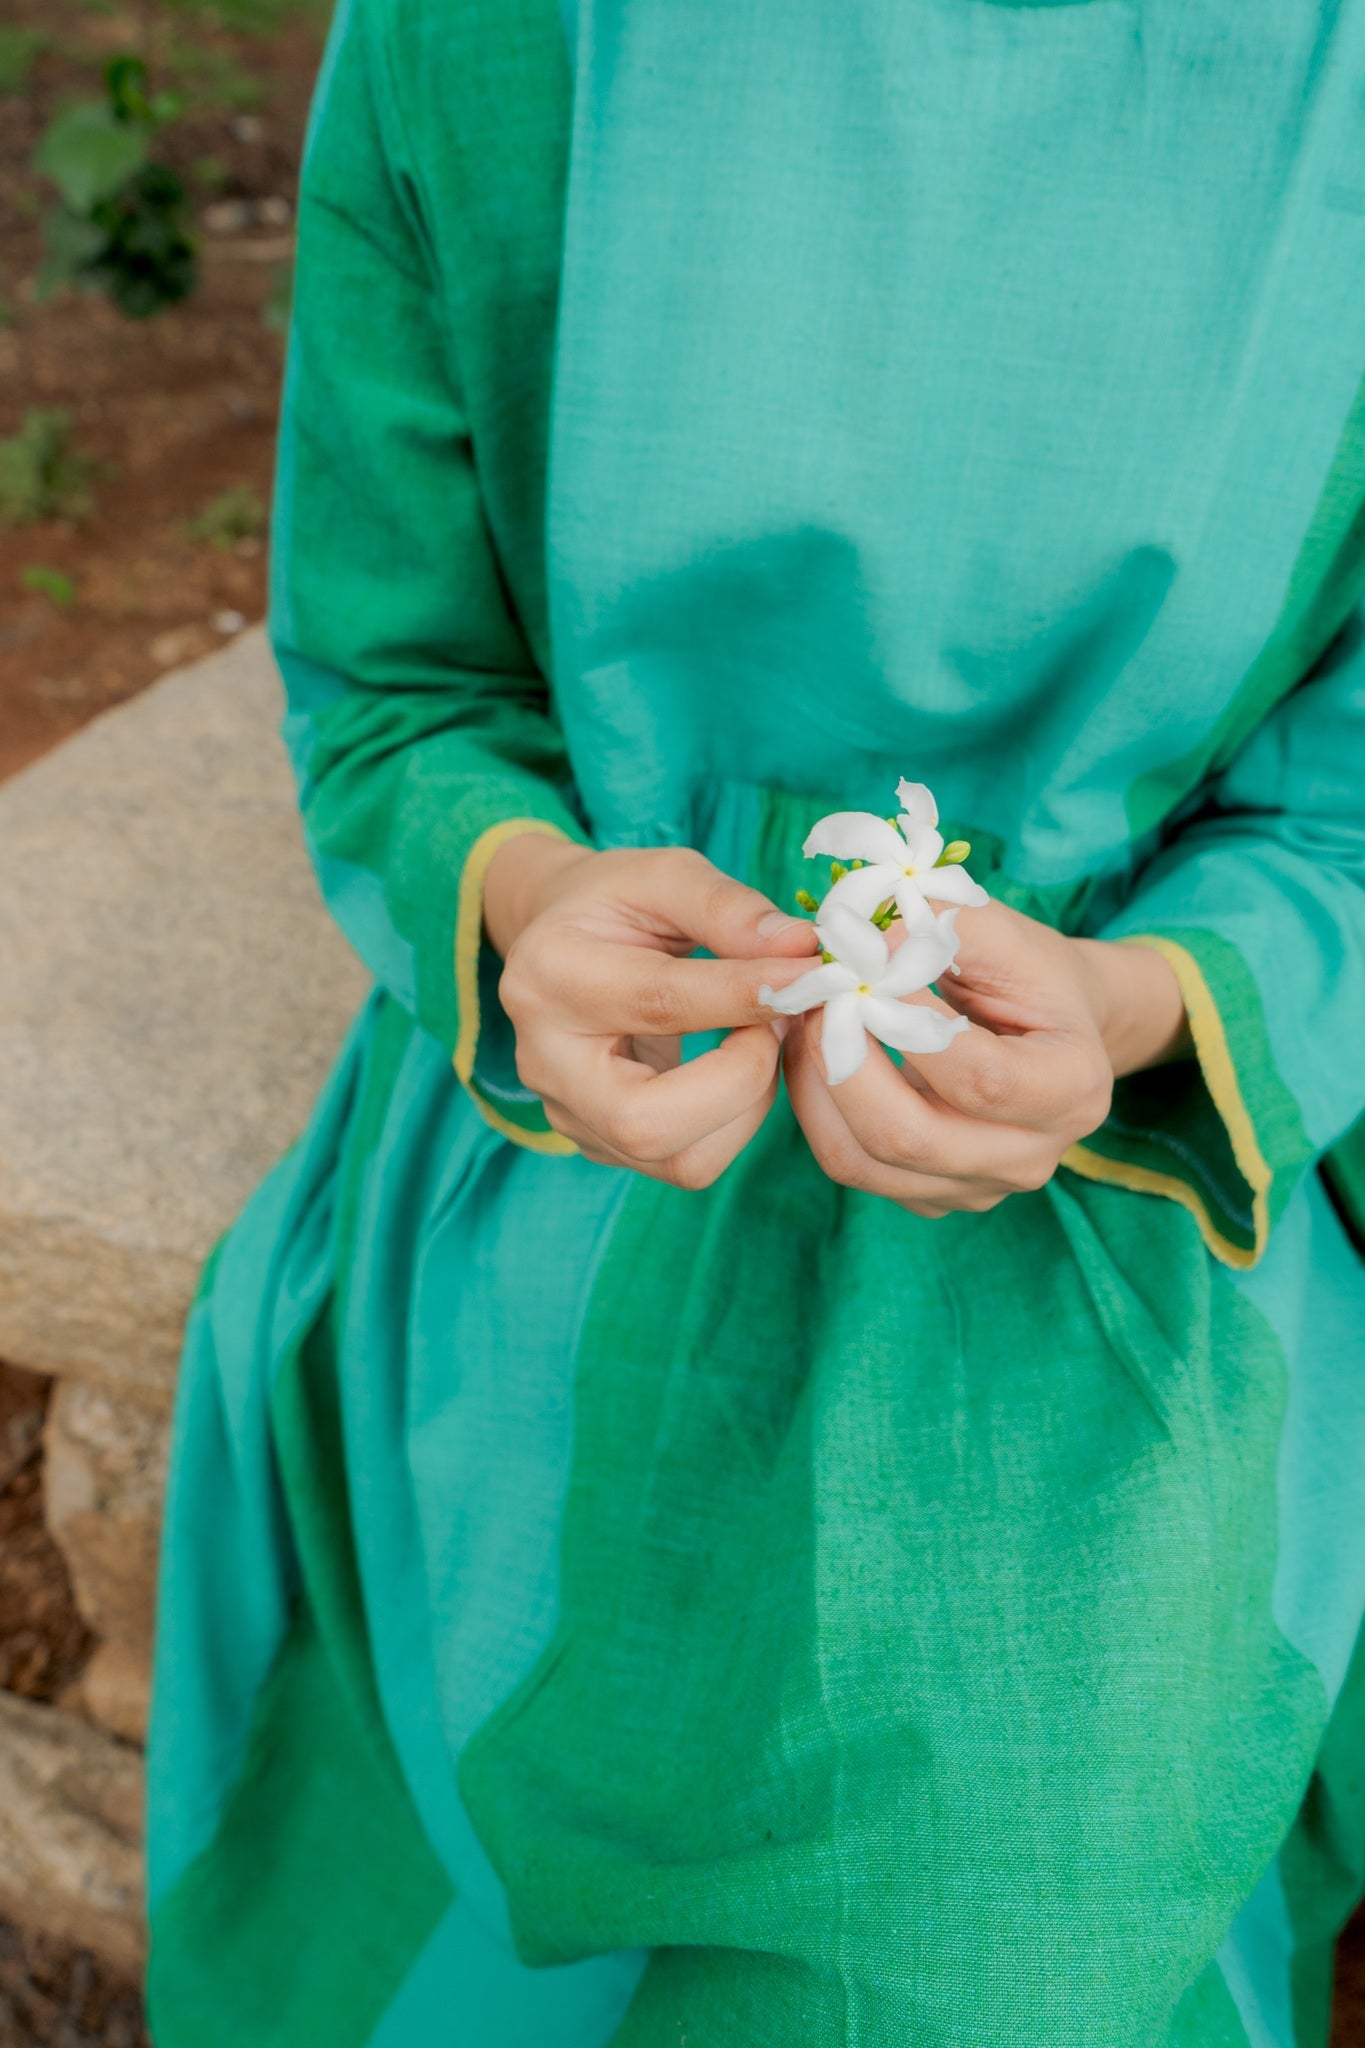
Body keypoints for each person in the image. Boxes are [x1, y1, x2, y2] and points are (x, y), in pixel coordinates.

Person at [144, 0, 1365, 2040]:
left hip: (1118, 1226)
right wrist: (531, 908)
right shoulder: (488, 43)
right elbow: (398, 689)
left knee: (996, 1930)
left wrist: (1138, 1000)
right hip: (558, 1174)